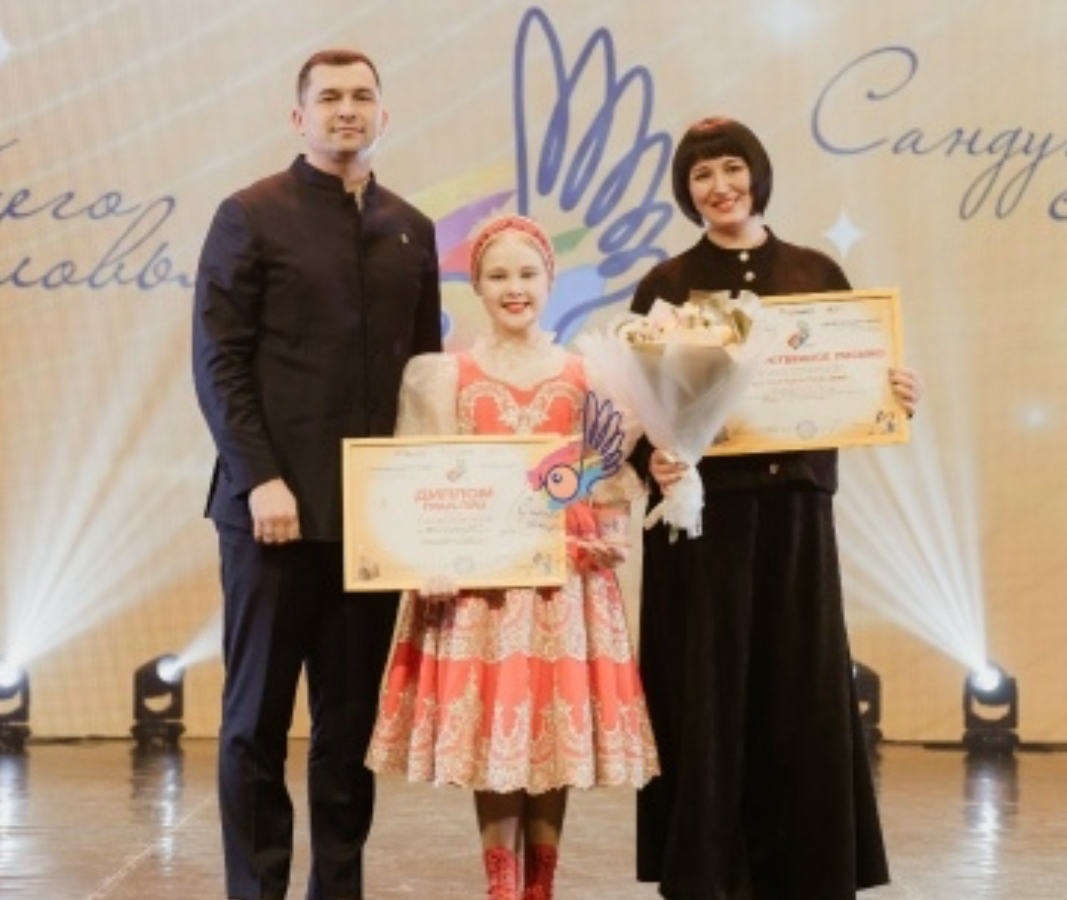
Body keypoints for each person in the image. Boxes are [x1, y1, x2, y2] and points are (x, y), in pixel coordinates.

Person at [630, 117, 919, 899]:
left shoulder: (815, 271)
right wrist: (654, 457)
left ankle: (809, 869)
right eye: (701, 176)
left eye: (732, 168)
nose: (719, 186)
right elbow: (639, 408)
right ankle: (708, 868)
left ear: (757, 173)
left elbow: (855, 383)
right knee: (709, 689)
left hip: (793, 516)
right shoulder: (667, 284)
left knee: (800, 684)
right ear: (686, 192)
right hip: (704, 523)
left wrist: (892, 393)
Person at [191, 48, 442, 900]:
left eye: (362, 96)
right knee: (254, 724)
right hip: (271, 515)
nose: (347, 109)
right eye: (329, 97)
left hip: (370, 524)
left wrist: (426, 508)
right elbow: (218, 362)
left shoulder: (411, 228)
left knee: (348, 734)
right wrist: (259, 477)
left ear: (383, 114)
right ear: (298, 117)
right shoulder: (249, 215)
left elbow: (424, 381)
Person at [364, 215, 659, 900]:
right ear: (476, 285)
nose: (514, 287)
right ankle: (500, 885)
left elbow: (605, 482)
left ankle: (539, 886)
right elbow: (422, 483)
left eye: (528, 273)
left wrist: (610, 533)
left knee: (550, 732)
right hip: (480, 587)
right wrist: (428, 561)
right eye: (498, 275)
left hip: (564, 582)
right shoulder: (443, 377)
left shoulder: (589, 375)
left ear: (550, 281)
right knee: (496, 737)